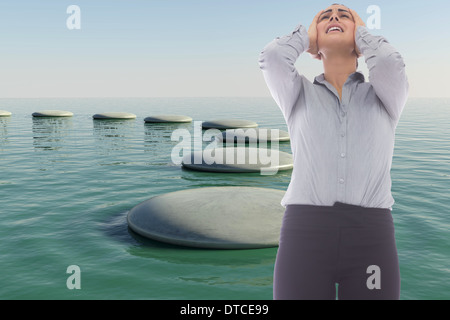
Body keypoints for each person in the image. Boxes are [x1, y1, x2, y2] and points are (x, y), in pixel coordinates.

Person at [258, 4, 409, 300]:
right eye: (325, 17)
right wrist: (306, 36)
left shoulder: (384, 95)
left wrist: (362, 35)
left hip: (371, 235)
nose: (334, 18)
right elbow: (272, 58)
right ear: (315, 43)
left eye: (344, 16)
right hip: (304, 232)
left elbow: (391, 64)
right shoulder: (298, 93)